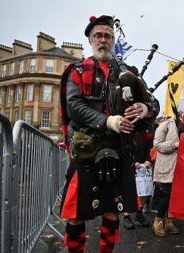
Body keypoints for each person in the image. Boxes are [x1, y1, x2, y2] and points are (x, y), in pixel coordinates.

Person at [59, 15, 159, 253]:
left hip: (119, 151)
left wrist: (144, 109)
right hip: (87, 150)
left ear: (113, 40)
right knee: (76, 214)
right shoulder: (77, 70)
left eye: (108, 36)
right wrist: (108, 121)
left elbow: (154, 103)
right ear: (90, 40)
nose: (103, 40)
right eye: (98, 36)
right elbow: (74, 107)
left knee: (113, 212)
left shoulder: (128, 73)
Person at [151, 115, 181, 237]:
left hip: (180, 168)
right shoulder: (165, 125)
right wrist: (174, 145)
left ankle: (168, 221)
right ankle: (157, 221)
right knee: (167, 195)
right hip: (166, 167)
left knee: (175, 196)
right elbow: (157, 145)